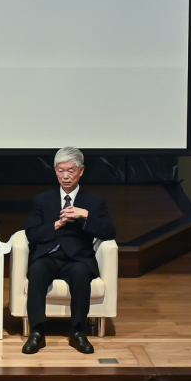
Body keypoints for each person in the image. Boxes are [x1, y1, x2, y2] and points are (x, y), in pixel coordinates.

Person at [21, 146, 116, 355]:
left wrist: (85, 215)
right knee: (36, 270)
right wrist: (55, 225)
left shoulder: (94, 202)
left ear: (81, 171)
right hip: (49, 255)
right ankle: (37, 332)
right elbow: (31, 233)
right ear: (55, 170)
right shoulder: (42, 200)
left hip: (77, 259)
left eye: (70, 171)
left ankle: (78, 332)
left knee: (81, 274)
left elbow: (109, 232)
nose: (65, 176)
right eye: (61, 170)